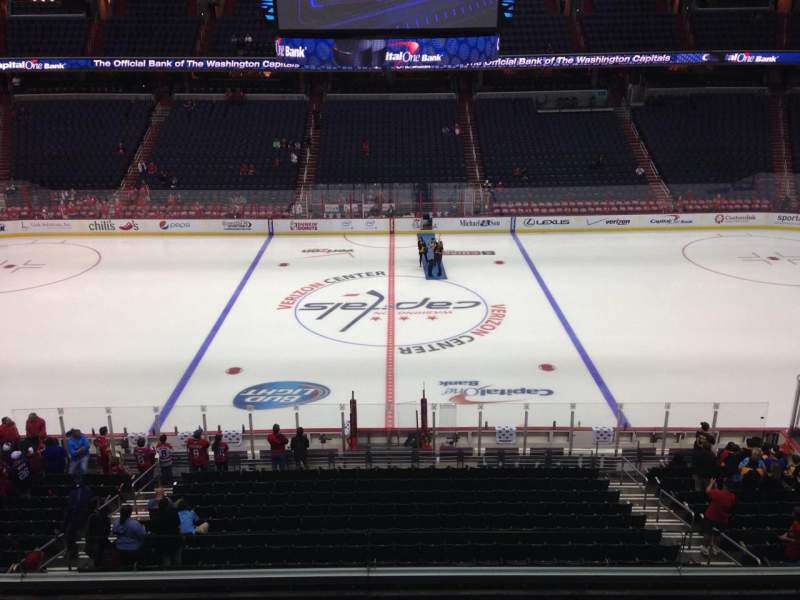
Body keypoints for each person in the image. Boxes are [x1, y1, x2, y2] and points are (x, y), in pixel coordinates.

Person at [701, 477, 736, 557]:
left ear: (725, 486)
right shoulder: (732, 496)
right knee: (718, 534)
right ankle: (715, 548)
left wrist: (711, 483)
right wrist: (716, 488)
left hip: (711, 516)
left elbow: (708, 491)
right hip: (722, 518)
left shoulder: (718, 494)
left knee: (708, 533)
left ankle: (705, 548)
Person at [63, 477, 95, 561]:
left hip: (86, 516)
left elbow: (91, 504)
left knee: (88, 534)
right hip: (74, 517)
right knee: (69, 535)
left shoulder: (88, 491)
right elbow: (70, 507)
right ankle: (73, 553)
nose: (77, 482)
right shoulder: (72, 492)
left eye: (79, 480)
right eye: (76, 480)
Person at [149, 497, 182, 568]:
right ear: (168, 506)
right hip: (174, 540)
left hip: (163, 542)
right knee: (177, 562)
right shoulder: (174, 514)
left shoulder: (156, 517)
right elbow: (178, 523)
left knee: (166, 562)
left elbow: (154, 530)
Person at [85, 498, 111, 570]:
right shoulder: (93, 517)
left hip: (100, 541)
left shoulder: (105, 518)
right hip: (95, 541)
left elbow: (107, 531)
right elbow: (88, 531)